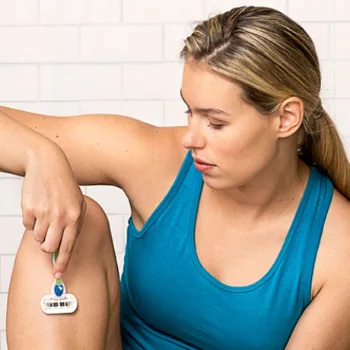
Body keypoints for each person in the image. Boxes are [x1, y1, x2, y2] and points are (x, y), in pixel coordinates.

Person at [3, 5, 350, 350]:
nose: (191, 138)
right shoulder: (158, 161)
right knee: (72, 225)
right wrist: (41, 154)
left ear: (286, 118)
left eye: (215, 123)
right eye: (190, 112)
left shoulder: (338, 248)